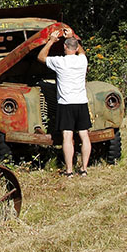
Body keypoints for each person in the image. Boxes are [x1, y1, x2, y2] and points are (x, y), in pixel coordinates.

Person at [37, 28, 91, 177]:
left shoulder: (60, 62)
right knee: (84, 136)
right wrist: (73, 37)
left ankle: (69, 171)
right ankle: (84, 169)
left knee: (67, 137)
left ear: (65, 47)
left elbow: (41, 57)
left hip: (66, 104)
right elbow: (82, 52)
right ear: (76, 47)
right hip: (81, 102)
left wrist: (51, 41)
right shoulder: (82, 60)